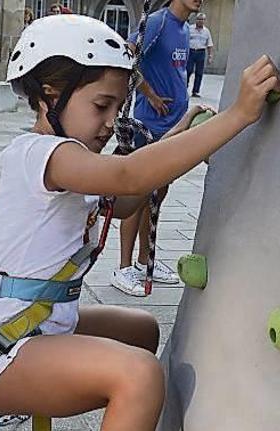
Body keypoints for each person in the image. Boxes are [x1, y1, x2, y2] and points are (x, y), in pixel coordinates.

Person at [0, 14, 280, 431]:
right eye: (101, 105)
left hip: (33, 324)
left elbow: (130, 194)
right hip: (2, 351)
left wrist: (177, 133)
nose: (112, 122)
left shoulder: (74, 161)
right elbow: (128, 177)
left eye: (118, 106)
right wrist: (238, 115)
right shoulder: (42, 154)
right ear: (51, 95)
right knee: (139, 375)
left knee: (142, 331)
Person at [110, 0, 200, 297]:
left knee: (157, 196)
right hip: (149, 124)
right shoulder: (159, 22)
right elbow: (126, 58)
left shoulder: (185, 27)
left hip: (175, 126)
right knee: (136, 194)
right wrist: (150, 95)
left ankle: (145, 261)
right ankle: (123, 268)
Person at [187, 12, 214, 97]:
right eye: (199, 19)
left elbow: (209, 44)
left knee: (199, 73)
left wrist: (210, 56)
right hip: (190, 52)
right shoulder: (189, 29)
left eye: (202, 20)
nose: (200, 21)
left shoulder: (206, 31)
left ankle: (195, 91)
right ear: (196, 20)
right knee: (188, 70)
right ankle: (184, 89)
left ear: (204, 21)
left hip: (201, 52)